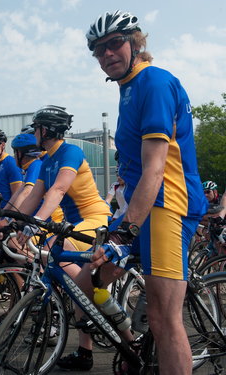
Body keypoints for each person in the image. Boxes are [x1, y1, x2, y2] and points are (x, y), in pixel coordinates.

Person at [86, 10, 208, 374]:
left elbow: (155, 168)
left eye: (114, 44)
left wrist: (125, 230)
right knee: (91, 280)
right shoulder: (129, 87)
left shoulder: (153, 82)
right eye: (98, 50)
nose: (107, 54)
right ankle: (133, 346)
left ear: (135, 42)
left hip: (168, 204)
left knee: (164, 318)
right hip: (142, 207)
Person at [15, 106, 112, 371]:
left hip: (95, 218)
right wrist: (15, 222)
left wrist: (36, 226)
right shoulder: (46, 160)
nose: (34, 132)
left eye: (36, 128)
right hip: (74, 223)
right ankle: (84, 349)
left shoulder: (70, 152)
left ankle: (88, 296)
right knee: (61, 269)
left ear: (45, 130)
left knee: (53, 251)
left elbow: (58, 190)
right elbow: (35, 198)